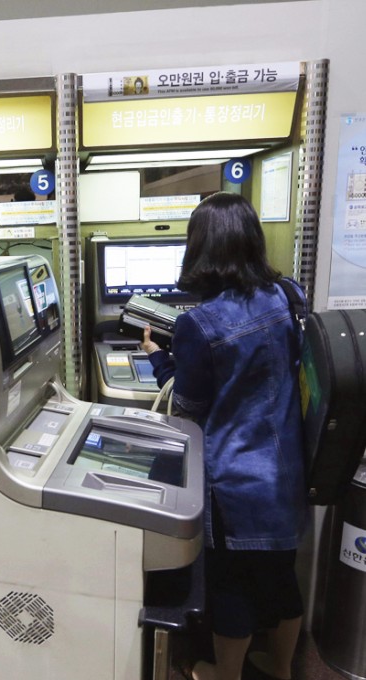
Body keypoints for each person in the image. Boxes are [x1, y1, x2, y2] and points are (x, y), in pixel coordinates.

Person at [140, 192, 307, 680]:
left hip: (233, 483)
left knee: (231, 588)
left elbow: (190, 409)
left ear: (202, 249)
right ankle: (282, 668)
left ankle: (224, 674)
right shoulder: (288, 295)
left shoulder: (199, 323)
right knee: (281, 578)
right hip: (285, 472)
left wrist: (158, 356)